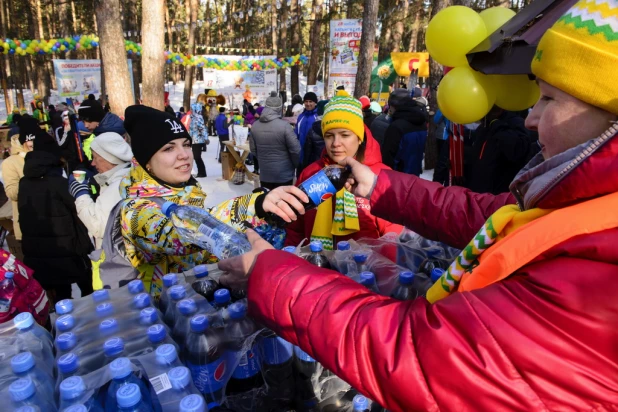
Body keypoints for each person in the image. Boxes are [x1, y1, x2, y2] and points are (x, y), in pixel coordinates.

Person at [217, 4, 618, 409]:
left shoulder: (600, 264)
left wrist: (274, 276)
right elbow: (484, 214)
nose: (531, 118)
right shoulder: (582, 206)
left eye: (549, 99)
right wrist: (382, 187)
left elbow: (420, 353)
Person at [119, 105, 310, 296]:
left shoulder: (187, 193)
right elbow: (179, 234)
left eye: (186, 144)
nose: (184, 154)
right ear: (147, 162)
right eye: (169, 148)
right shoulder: (135, 210)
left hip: (200, 302)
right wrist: (253, 206)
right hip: (166, 314)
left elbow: (210, 237)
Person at [285, 91, 402, 249]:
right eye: (329, 135)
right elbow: (295, 230)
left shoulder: (381, 177)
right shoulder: (310, 174)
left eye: (345, 135)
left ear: (359, 138)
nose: (336, 143)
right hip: (316, 268)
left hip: (365, 270)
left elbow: (393, 237)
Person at [19, 126, 93, 303]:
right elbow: (78, 208)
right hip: (69, 250)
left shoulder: (24, 183)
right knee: (88, 292)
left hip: (42, 251)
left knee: (61, 297)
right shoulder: (59, 183)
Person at [70, 132, 133, 249]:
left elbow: (97, 226)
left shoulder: (118, 186)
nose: (93, 163)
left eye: (95, 158)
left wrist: (81, 193)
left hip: (115, 259)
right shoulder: (128, 175)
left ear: (108, 158)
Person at [465, 107, 539, 194]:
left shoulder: (514, 123)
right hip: (480, 196)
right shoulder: (483, 128)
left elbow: (517, 151)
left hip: (499, 196)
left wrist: (497, 125)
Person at [250, 91, 300, 190]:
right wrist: (294, 165)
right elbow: (296, 150)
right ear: (279, 108)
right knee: (283, 203)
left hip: (265, 173)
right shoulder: (285, 126)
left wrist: (264, 162)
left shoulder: (255, 126)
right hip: (284, 174)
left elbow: (253, 150)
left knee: (268, 201)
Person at [1, 117, 38, 241]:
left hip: (54, 220)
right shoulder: (10, 163)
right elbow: (12, 193)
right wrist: (31, 177)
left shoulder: (43, 154)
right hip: (29, 224)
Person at [381, 89, 428, 175]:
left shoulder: (396, 127)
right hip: (414, 175)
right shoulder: (421, 122)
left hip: (397, 178)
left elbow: (388, 157)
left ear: (394, 106)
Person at [301, 99, 328, 170]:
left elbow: (307, 151)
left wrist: (305, 167)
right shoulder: (334, 127)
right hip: (331, 165)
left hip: (315, 165)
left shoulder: (312, 129)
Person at [295, 92, 319, 169]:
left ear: (315, 103)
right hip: (301, 156)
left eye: (310, 101)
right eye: (306, 101)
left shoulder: (318, 117)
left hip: (314, 157)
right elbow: (296, 135)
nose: (308, 104)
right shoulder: (301, 117)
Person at [189, 95, 209, 178]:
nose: (190, 110)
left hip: (198, 140)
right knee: (196, 157)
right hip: (194, 139)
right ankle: (201, 172)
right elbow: (192, 129)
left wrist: (206, 138)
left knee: (197, 157)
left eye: (191, 109)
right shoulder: (194, 117)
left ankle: (202, 173)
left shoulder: (198, 118)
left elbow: (202, 128)